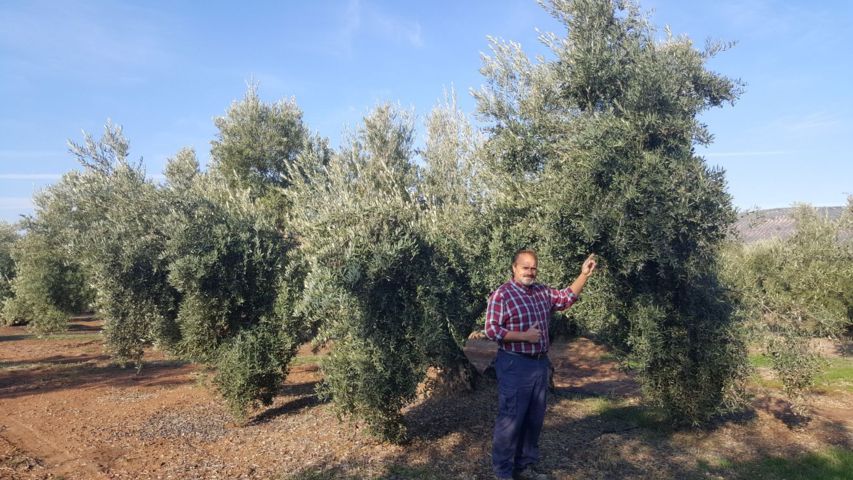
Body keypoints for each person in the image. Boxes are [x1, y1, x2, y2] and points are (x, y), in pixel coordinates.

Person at [484, 249, 596, 480]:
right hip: (514, 364)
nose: (530, 272)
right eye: (525, 267)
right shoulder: (502, 295)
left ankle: (524, 467)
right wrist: (523, 336)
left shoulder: (542, 292)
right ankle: (503, 473)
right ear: (514, 268)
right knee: (511, 420)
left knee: (534, 419)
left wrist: (583, 275)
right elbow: (491, 329)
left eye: (534, 267)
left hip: (539, 365)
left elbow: (565, 299)